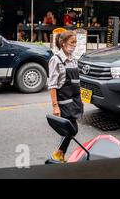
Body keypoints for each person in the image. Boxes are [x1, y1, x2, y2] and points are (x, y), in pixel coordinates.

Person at [46, 31, 84, 163]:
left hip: (74, 102)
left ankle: (60, 155)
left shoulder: (73, 59)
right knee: (72, 129)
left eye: (75, 42)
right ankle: (57, 154)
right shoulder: (56, 60)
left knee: (69, 130)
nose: (74, 45)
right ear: (63, 43)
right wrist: (55, 106)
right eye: (72, 42)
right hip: (64, 103)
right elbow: (52, 85)